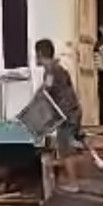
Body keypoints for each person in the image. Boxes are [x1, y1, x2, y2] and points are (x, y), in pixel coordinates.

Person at [35, 39, 83, 192]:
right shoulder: (60, 69)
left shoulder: (50, 70)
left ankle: (73, 184)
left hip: (67, 114)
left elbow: (47, 89)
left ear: (40, 54)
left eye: (36, 54)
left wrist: (37, 98)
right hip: (74, 110)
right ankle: (68, 177)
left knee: (65, 150)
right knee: (66, 147)